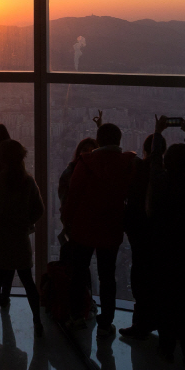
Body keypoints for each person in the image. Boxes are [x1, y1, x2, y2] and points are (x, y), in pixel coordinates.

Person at [60, 121, 137, 335]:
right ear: (119, 140)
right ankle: (106, 321)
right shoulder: (128, 164)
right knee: (107, 276)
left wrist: (67, 221)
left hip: (83, 228)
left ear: (99, 140)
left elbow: (73, 197)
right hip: (111, 228)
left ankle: (76, 316)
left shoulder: (85, 163)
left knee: (79, 273)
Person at [146, 117, 185, 366]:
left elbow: (154, 160)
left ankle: (166, 347)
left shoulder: (159, 181)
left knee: (166, 301)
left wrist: (158, 133)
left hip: (163, 251)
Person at [0, 139, 45, 342]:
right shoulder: (28, 182)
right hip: (20, 239)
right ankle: (37, 321)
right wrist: (25, 223)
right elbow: (39, 210)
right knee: (28, 282)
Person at [119, 130, 166, 340]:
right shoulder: (166, 174)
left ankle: (140, 323)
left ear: (146, 150)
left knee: (140, 279)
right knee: (156, 279)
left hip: (139, 235)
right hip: (159, 237)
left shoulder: (138, 170)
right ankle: (157, 321)